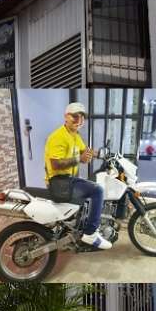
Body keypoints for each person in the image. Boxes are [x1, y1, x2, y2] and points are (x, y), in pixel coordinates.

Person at [44, 102, 112, 250]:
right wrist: (78, 160)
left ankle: (79, 224)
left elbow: (85, 151)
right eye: (75, 116)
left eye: (82, 117)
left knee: (90, 186)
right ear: (66, 117)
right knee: (98, 190)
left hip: (69, 180)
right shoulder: (58, 136)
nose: (79, 120)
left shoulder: (74, 135)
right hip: (59, 182)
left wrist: (102, 155)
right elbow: (55, 164)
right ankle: (90, 233)